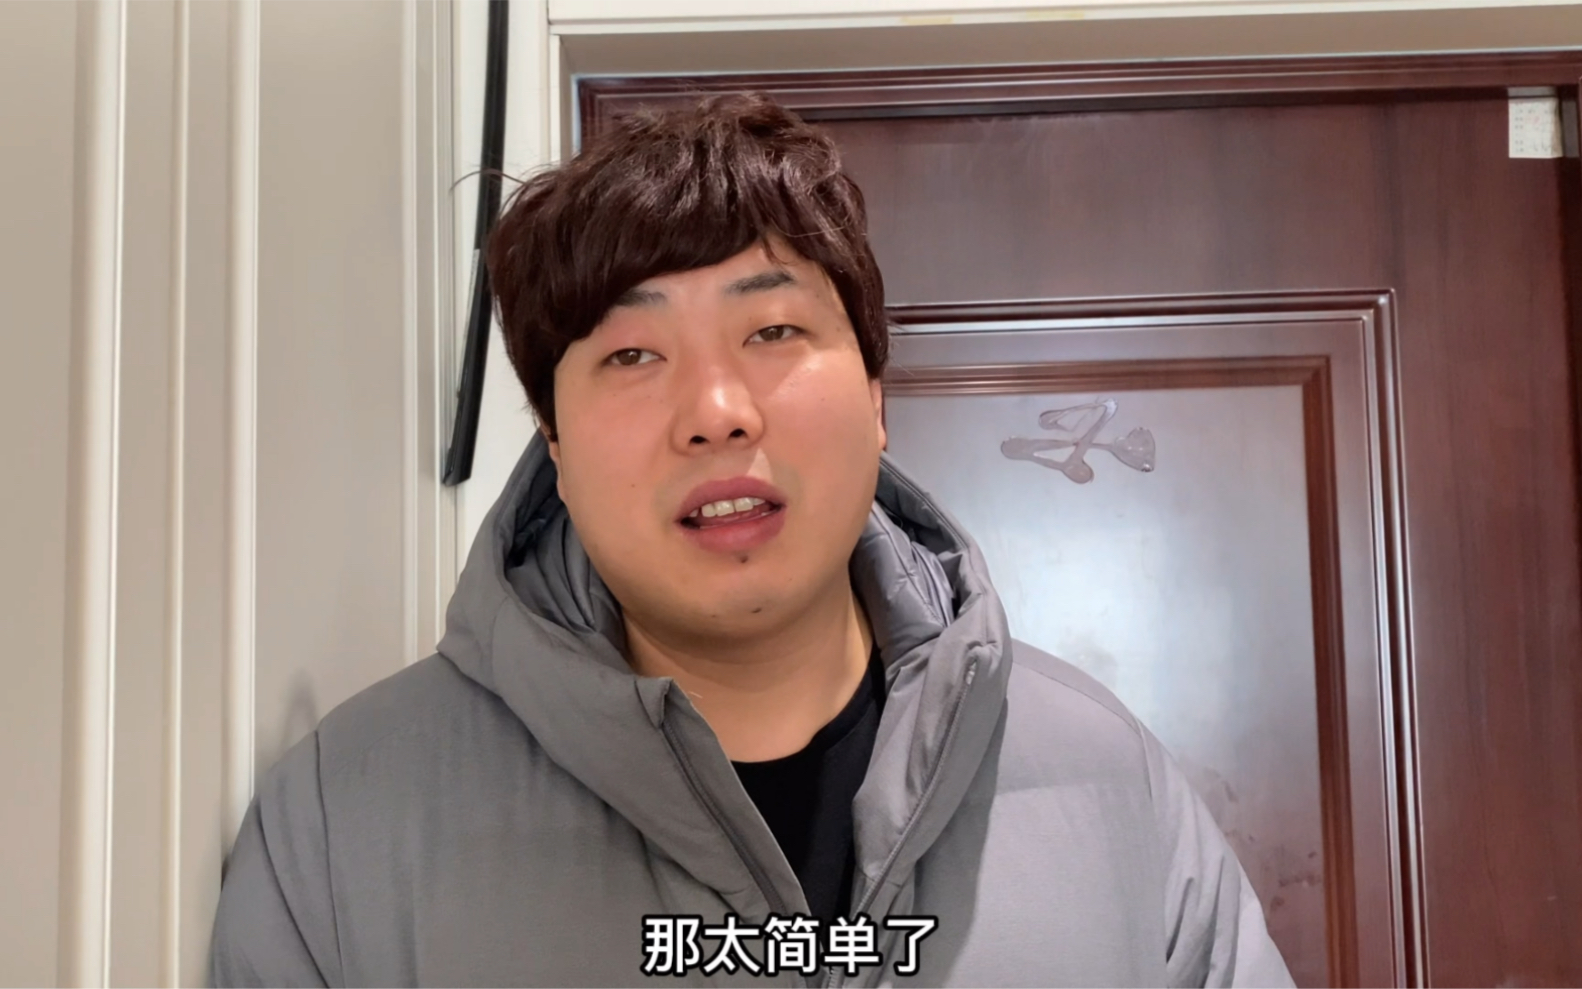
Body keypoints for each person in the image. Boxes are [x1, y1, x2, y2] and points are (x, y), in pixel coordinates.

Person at [211, 93, 1294, 988]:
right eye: (632, 355)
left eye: (773, 329)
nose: (716, 410)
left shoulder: (1106, 780)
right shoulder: (346, 822)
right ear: (555, 441)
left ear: (875, 393)